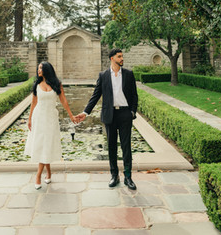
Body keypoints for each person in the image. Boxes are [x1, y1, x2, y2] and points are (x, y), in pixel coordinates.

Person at [76, 48, 138, 190]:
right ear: (112, 59)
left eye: (122, 56)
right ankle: (114, 175)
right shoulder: (103, 75)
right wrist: (85, 112)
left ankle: (128, 177)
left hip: (125, 115)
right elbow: (96, 95)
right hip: (109, 115)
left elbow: (134, 95)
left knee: (126, 147)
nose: (122, 59)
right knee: (111, 147)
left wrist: (132, 112)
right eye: (119, 56)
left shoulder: (128, 74)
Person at [24, 61, 77, 189]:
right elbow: (33, 102)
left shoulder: (56, 84)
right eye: (38, 68)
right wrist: (29, 119)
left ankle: (47, 173)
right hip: (39, 117)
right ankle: (39, 176)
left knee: (47, 144)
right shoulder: (37, 84)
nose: (39, 70)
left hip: (51, 118)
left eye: (41, 68)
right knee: (42, 144)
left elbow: (63, 100)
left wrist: (71, 115)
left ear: (47, 70)